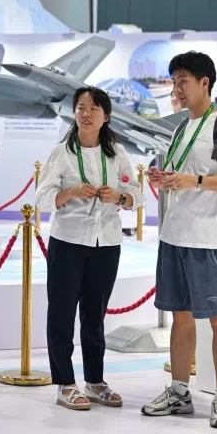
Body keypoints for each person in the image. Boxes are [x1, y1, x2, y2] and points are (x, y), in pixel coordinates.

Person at [142, 51, 217, 429]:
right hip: (175, 236)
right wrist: (164, 179)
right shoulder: (179, 129)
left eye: (183, 81)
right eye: (174, 82)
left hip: (210, 239)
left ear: (205, 82)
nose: (177, 89)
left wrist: (196, 181)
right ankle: (179, 392)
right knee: (180, 318)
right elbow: (182, 175)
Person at [36, 87, 144, 411]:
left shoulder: (117, 153)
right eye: (80, 108)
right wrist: (69, 192)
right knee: (62, 314)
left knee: (95, 316)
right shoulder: (61, 152)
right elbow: (42, 198)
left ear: (105, 117)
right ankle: (65, 383)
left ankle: (95, 381)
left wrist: (120, 198)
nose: (86, 114)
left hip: (106, 243)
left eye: (94, 109)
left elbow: (137, 193)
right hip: (68, 241)